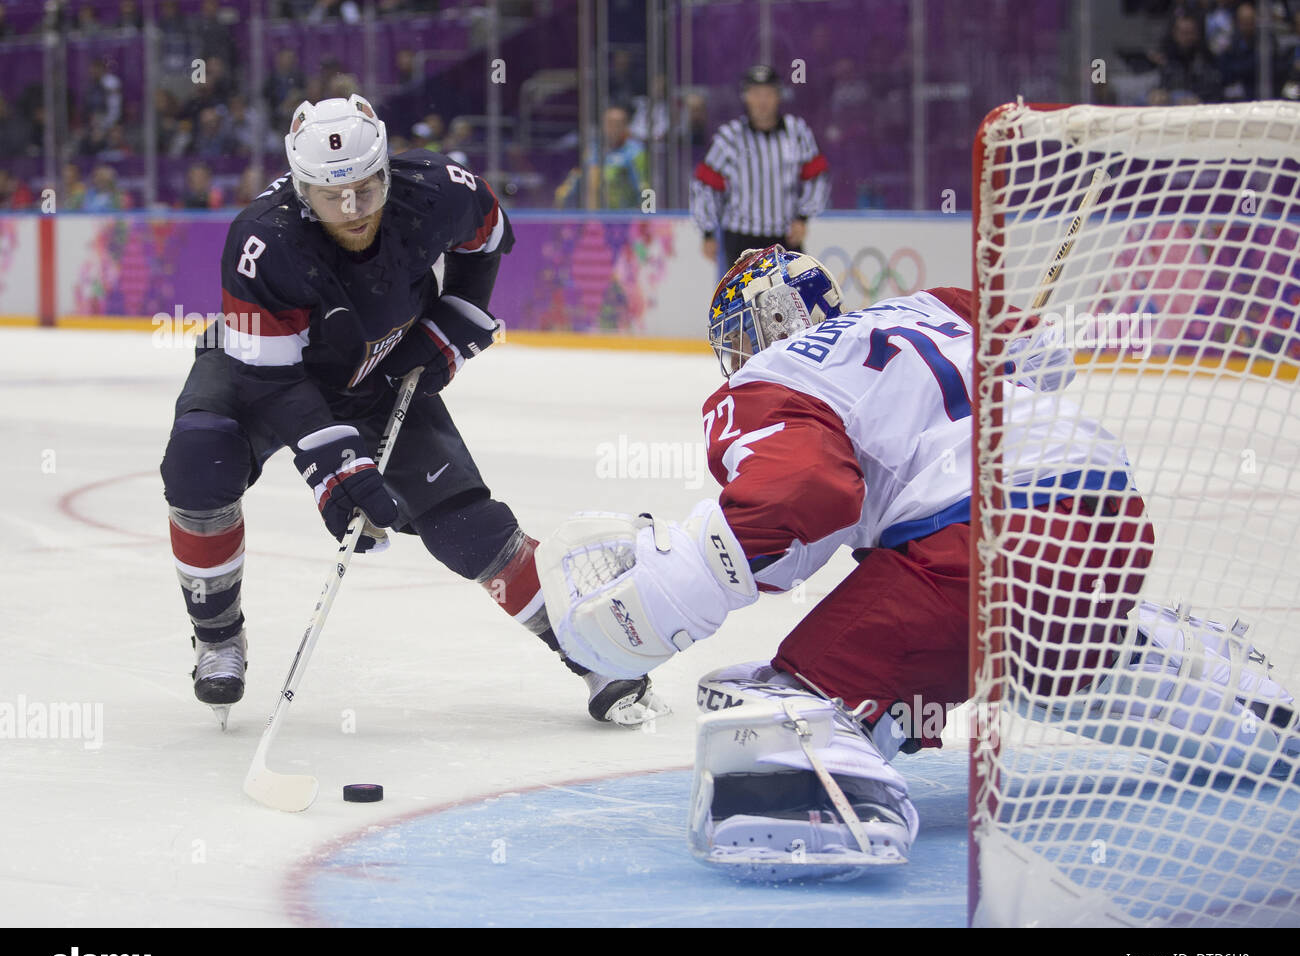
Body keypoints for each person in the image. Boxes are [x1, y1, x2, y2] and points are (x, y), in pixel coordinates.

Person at [538, 245, 1299, 878]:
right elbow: (1047, 360)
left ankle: (828, 799)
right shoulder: (937, 305)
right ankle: (1233, 707)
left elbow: (804, 497)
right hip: (1109, 515)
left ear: (758, 327)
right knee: (1039, 666)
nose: (732, 359)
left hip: (980, 542)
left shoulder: (769, 378)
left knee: (774, 705)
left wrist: (662, 596)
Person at [160, 94, 664, 729]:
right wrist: (336, 469)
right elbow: (274, 382)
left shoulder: (436, 190)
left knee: (466, 527)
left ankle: (590, 652)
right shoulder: (263, 239)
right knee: (199, 462)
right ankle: (217, 636)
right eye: (331, 197)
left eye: (367, 191)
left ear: (386, 171)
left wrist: (457, 319)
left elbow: (488, 233)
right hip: (257, 370)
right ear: (300, 186)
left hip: (375, 367)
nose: (352, 212)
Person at [689, 65, 829, 268]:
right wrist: (708, 232)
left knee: (792, 298)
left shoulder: (797, 132)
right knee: (743, 299)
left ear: (778, 96)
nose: (762, 101)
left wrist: (803, 217)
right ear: (746, 97)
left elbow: (817, 176)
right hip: (741, 239)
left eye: (768, 94)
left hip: (785, 238)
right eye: (755, 94)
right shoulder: (730, 137)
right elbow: (705, 185)